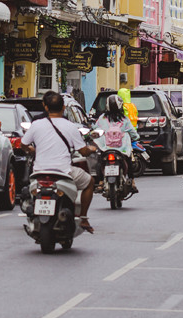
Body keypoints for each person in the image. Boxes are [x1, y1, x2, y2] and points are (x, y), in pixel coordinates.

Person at [21, 91, 98, 233]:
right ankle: (84, 217)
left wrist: (33, 150)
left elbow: (23, 145)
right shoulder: (70, 127)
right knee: (90, 182)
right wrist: (92, 148)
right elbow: (83, 151)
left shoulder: (36, 125)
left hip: (39, 172)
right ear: (63, 108)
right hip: (64, 172)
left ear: (46, 107)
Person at [94, 94, 139, 195]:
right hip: (122, 150)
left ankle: (101, 182)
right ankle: (132, 182)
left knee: (100, 161)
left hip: (106, 149)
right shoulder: (124, 119)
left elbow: (95, 130)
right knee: (129, 160)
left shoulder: (102, 119)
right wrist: (136, 138)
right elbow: (133, 134)